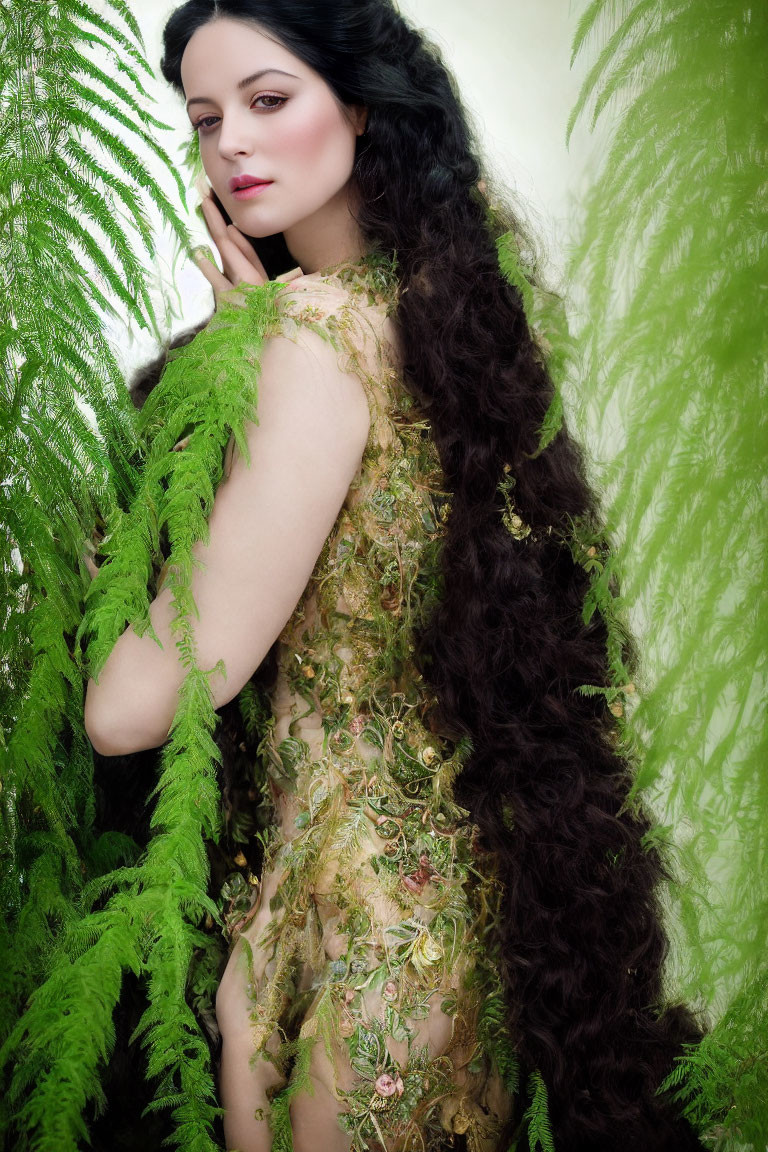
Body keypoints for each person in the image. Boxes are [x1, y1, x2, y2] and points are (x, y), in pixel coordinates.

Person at [85, 1, 707, 1149]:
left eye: (271, 101)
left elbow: (129, 709)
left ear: (362, 106)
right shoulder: (431, 320)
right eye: (205, 116)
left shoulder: (314, 337)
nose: (232, 145)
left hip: (357, 952)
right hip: (447, 923)